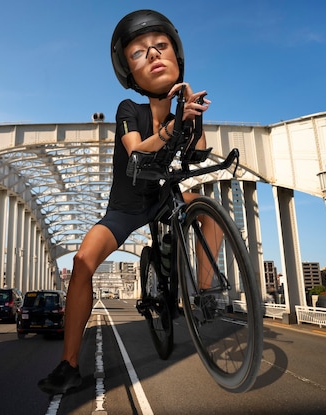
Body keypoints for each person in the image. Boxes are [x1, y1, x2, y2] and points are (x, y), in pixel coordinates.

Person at [38, 9, 213, 395]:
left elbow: (197, 156)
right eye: (139, 53)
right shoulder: (128, 110)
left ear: (177, 57)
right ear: (129, 74)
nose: (153, 54)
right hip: (127, 206)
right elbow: (137, 152)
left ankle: (204, 294)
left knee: (208, 212)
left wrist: (192, 118)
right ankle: (69, 364)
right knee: (83, 262)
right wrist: (174, 124)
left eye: (161, 46)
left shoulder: (183, 108)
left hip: (164, 196)